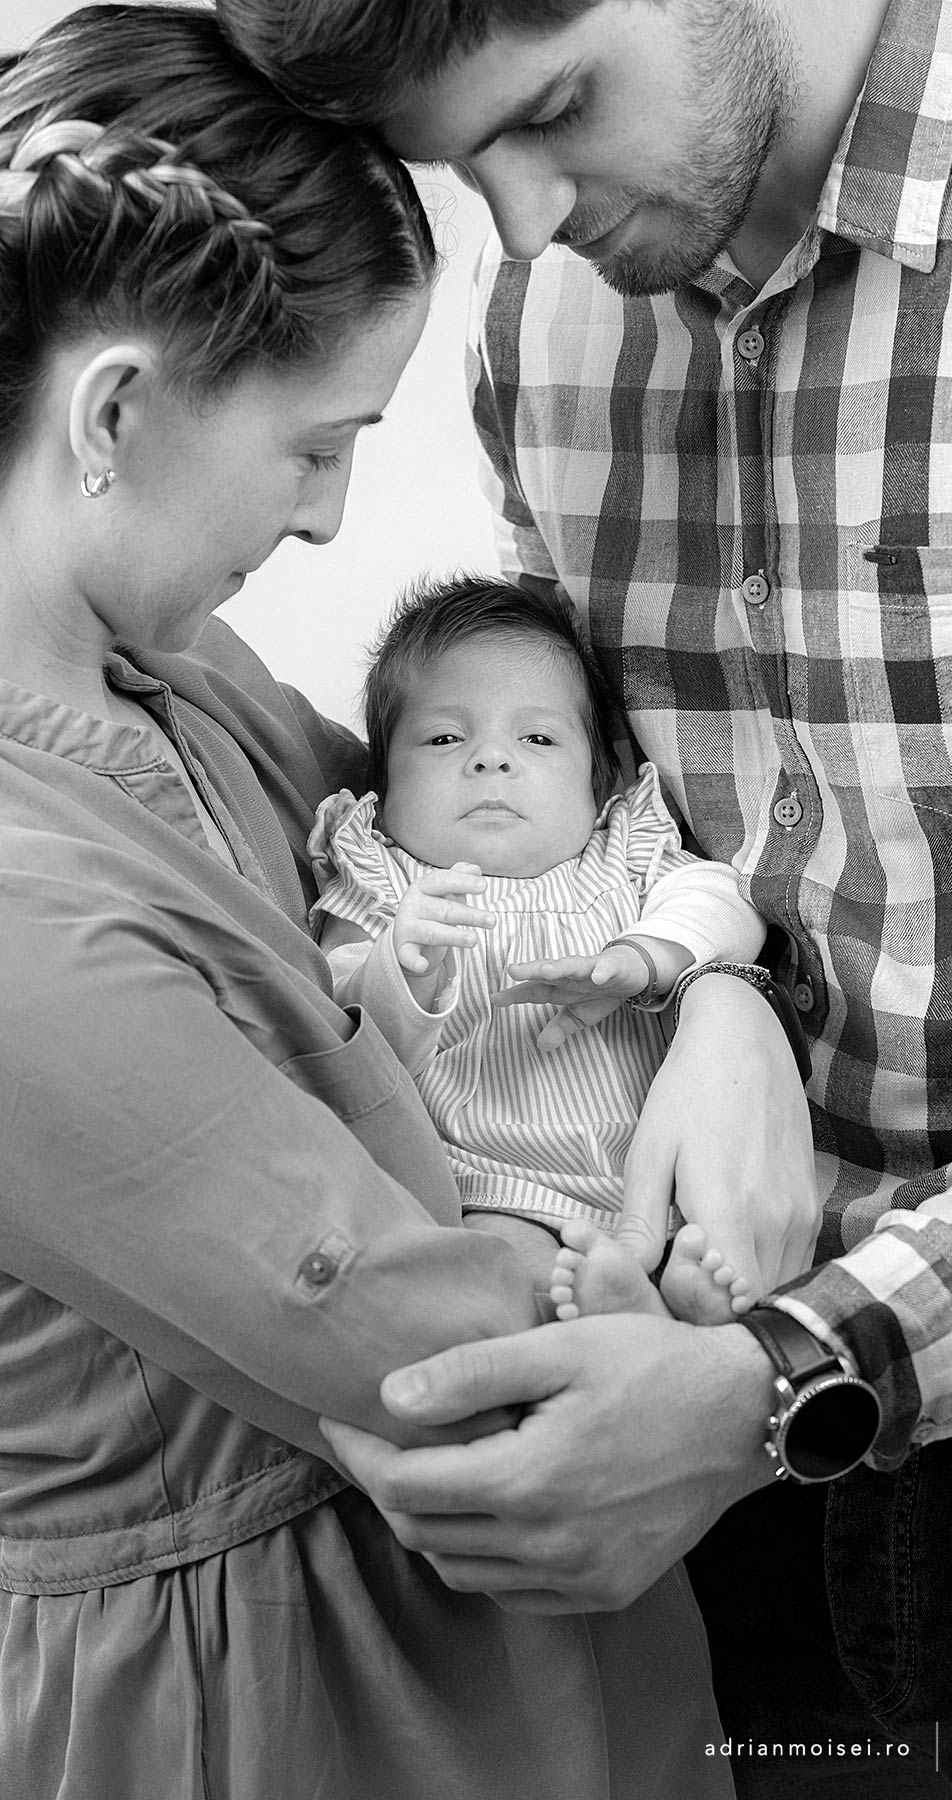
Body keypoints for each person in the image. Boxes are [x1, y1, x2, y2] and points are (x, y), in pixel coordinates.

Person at [216, 0, 952, 1794]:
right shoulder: (550, 307)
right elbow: (595, 814)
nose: (515, 228)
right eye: (462, 162)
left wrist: (777, 1384)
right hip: (663, 1433)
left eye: (557, 110)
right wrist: (730, 995)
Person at [0, 7, 744, 1796]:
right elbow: (458, 1364)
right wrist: (751, 1356)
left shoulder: (171, 668)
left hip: (513, 1645)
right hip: (284, 1714)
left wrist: (726, 1006)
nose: (335, 521)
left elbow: (508, 874)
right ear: (116, 411)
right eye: (317, 444)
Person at [308, 574, 772, 1322]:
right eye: (444, 737)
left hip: (653, 1164)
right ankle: (622, 1308)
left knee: (720, 1225)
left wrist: (647, 955)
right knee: (492, 1262)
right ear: (383, 780)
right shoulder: (384, 877)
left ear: (597, 783)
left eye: (538, 737)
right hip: (490, 1177)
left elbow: (727, 901)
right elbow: (341, 1037)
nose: (491, 759)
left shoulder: (624, 852)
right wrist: (401, 966)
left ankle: (676, 1293)